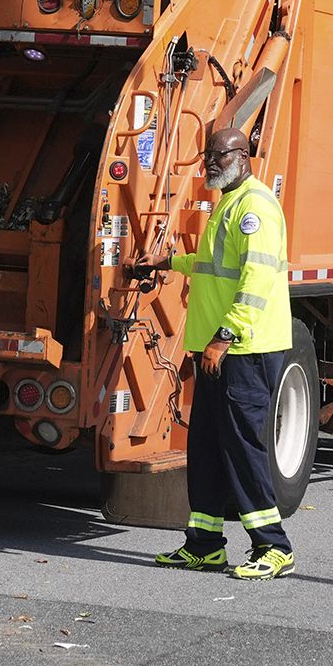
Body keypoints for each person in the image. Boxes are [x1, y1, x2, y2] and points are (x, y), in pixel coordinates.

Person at [126, 127, 296, 581]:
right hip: (218, 349)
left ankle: (273, 546)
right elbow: (211, 266)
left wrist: (225, 334)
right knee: (205, 447)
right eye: (208, 156)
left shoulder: (255, 208)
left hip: (245, 348)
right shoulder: (228, 203)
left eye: (219, 156)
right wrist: (168, 263)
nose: (211, 164)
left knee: (242, 447)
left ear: (244, 155)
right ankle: (204, 544)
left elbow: (255, 283)